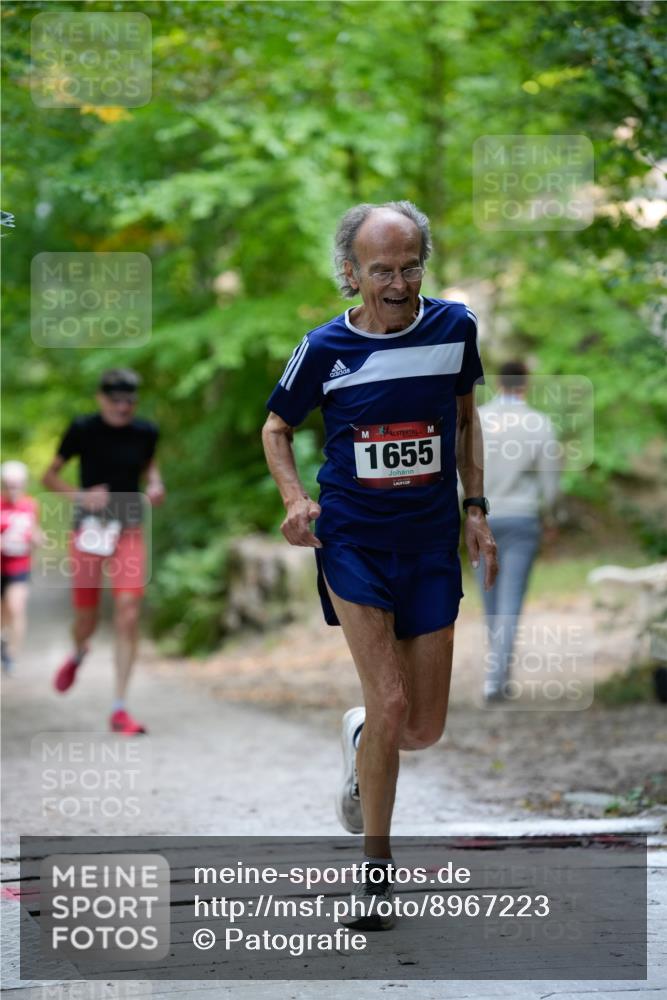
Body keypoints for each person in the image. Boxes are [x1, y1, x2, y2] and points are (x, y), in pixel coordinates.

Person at [262, 201, 497, 930]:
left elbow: (463, 419)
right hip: (354, 541)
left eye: (409, 266)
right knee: (392, 703)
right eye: (381, 270)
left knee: (420, 728)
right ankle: (375, 872)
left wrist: (475, 507)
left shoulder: (454, 327)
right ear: (351, 272)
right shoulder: (324, 348)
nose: (396, 283)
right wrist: (298, 500)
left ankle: (362, 736)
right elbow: (276, 427)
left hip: (429, 544)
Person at [41, 369, 165, 734]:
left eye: (130, 401)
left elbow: (150, 467)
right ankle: (79, 651)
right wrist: (80, 496)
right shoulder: (82, 429)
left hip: (128, 527)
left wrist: (156, 484)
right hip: (89, 531)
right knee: (87, 619)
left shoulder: (146, 432)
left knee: (128, 612)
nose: (123, 407)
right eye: (116, 400)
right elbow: (49, 476)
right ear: (101, 398)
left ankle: (120, 706)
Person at [475, 360, 560, 701]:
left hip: (482, 520)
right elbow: (551, 484)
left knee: (491, 602)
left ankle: (496, 674)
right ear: (526, 383)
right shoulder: (540, 424)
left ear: (499, 382)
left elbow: (459, 473)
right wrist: (552, 516)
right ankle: (497, 680)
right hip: (523, 519)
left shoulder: (478, 420)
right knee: (510, 602)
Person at [1, 461, 43, 673]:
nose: (13, 488)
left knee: (16, 607)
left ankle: (11, 655)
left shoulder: (30, 505)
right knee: (3, 611)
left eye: (17, 484)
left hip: (20, 566)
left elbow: (35, 531)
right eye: (9, 484)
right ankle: (3, 639)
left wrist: (38, 538)